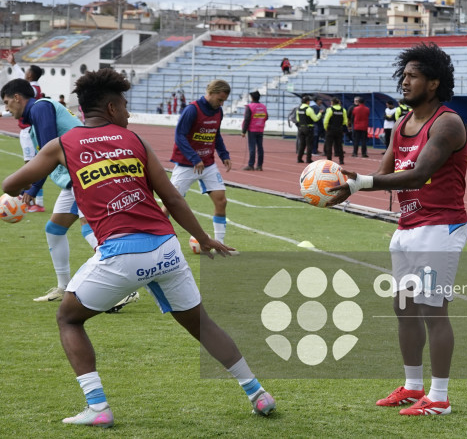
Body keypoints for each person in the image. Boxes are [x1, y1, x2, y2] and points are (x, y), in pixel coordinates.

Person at [1, 68, 275, 428]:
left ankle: (98, 407)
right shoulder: (134, 141)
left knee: (68, 318)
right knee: (202, 324)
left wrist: (15, 197)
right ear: (112, 107)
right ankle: (258, 393)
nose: (128, 112)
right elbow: (173, 198)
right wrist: (204, 238)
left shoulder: (61, 146)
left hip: (120, 254)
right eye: (126, 105)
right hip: (166, 248)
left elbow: (11, 182)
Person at [328, 43, 467, 417]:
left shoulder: (448, 123)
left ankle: (439, 398)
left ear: (434, 83)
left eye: (413, 76)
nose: (404, 82)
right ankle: (411, 386)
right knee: (404, 307)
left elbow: (420, 174)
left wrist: (360, 184)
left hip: (440, 226)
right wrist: (345, 186)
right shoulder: (402, 125)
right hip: (407, 226)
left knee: (432, 310)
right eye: (403, 75)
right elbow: (385, 175)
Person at [1, 78, 99, 302]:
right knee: (54, 230)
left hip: (83, 175)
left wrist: (34, 186)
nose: (6, 108)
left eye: (7, 102)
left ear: (17, 97)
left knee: (90, 230)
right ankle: (63, 286)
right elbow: (46, 155)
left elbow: (49, 150)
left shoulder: (41, 106)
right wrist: (31, 184)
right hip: (72, 179)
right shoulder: (36, 114)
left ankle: (123, 283)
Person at [166, 79, 233, 244]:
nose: (221, 103)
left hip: (208, 165)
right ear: (211, 93)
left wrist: (224, 154)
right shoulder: (192, 110)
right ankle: (154, 240)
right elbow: (179, 136)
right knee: (169, 204)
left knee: (221, 201)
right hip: (186, 165)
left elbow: (215, 135)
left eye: (224, 101)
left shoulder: (218, 112)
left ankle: (220, 244)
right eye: (220, 99)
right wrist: (194, 158)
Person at [5, 53, 46, 211]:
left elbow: (20, 82)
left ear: (30, 74)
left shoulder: (33, 89)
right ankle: (34, 200)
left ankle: (35, 201)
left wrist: (14, 65)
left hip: (28, 130)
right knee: (31, 164)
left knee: (32, 165)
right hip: (26, 130)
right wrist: (14, 64)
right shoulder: (33, 87)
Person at [240, 90, 267, 171]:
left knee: (252, 148)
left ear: (252, 98)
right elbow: (266, 117)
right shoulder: (263, 107)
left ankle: (251, 165)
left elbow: (247, 119)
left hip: (252, 130)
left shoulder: (250, 107)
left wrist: (243, 131)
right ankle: (259, 166)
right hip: (260, 129)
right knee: (260, 148)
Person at [295, 95, 321, 163]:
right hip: (309, 128)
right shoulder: (309, 109)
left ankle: (299, 158)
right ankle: (308, 159)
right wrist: (320, 114)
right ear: (307, 102)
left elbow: (298, 119)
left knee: (302, 144)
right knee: (309, 144)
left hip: (301, 128)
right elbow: (315, 119)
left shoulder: (299, 109)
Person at [323, 97, 348, 164]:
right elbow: (345, 121)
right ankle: (341, 160)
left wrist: (326, 128)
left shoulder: (330, 109)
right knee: (339, 145)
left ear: (332, 103)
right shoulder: (343, 110)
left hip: (331, 129)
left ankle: (329, 160)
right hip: (339, 129)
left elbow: (326, 120)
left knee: (329, 145)